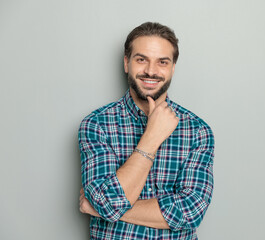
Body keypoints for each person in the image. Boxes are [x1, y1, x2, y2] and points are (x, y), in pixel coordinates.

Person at [78, 22, 214, 240]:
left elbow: (191, 211)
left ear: (172, 68)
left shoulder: (197, 131)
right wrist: (152, 137)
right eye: (141, 60)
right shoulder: (97, 124)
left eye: (162, 62)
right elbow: (107, 202)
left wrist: (105, 209)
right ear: (126, 63)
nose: (151, 71)